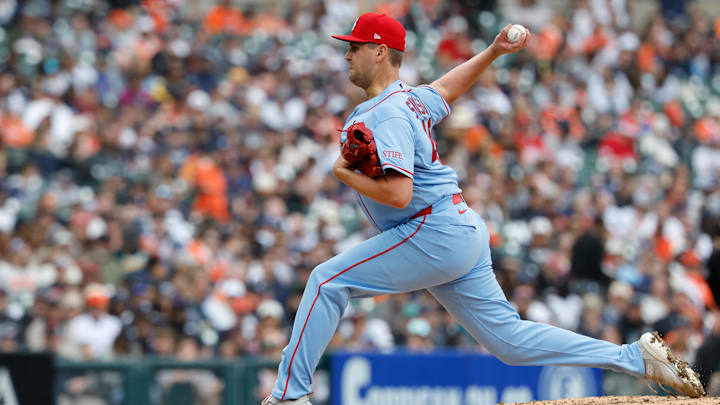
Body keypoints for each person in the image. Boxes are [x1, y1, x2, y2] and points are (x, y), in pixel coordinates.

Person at [262, 13, 705, 404]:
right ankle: (633, 357)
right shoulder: (410, 100)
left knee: (325, 281)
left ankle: (287, 396)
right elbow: (445, 89)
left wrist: (345, 174)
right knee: (509, 343)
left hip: (430, 229)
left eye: (354, 47)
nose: (347, 56)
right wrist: (493, 51)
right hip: (457, 229)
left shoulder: (388, 113)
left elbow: (398, 194)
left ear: (380, 52)